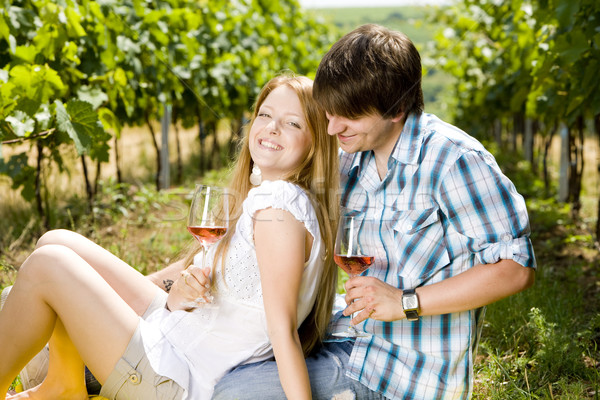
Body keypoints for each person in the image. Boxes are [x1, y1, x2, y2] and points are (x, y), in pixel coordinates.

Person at [210, 24, 537, 400]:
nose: (331, 127)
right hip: (347, 339)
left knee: (233, 392)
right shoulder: (352, 156)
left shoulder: (453, 161)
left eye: (347, 116)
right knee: (221, 365)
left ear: (396, 109)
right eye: (329, 112)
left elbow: (516, 270)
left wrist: (404, 302)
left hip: (403, 376)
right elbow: (282, 198)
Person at [0, 73, 339, 400]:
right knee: (58, 241)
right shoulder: (276, 198)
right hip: (171, 336)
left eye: (292, 123)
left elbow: (282, 332)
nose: (272, 127)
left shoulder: (278, 206)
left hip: (173, 380)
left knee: (49, 262)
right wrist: (177, 293)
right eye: (265, 114)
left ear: (314, 144)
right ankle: (62, 384)